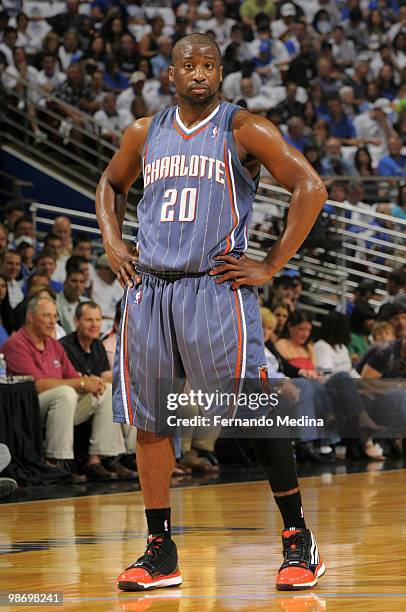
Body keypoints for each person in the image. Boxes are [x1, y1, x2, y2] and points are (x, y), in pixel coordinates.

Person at [95, 33, 327, 592]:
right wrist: (113, 240)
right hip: (151, 288)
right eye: (187, 64)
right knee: (151, 419)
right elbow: (110, 183)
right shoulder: (143, 133)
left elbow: (310, 187)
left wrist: (270, 264)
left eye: (207, 64)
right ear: (170, 74)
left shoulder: (243, 128)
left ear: (220, 72)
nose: (197, 72)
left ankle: (299, 539)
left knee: (252, 407)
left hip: (215, 287)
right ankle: (160, 550)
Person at [3, 296, 126, 482]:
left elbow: (73, 376)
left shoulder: (53, 344)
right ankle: (55, 461)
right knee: (66, 393)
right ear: (31, 317)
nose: (53, 321)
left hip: (60, 405)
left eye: (54, 316)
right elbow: (36, 385)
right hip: (30, 409)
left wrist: (92, 383)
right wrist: (82, 383)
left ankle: (96, 460)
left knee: (106, 390)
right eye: (47, 316)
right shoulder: (16, 345)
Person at [59, 301, 137, 479]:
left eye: (98, 319)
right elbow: (71, 379)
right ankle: (96, 460)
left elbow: (108, 376)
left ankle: (129, 455)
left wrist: (97, 382)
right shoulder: (65, 346)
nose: (94, 325)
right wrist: (95, 382)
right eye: (89, 320)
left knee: (124, 393)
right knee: (110, 392)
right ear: (76, 321)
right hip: (74, 398)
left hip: (96, 394)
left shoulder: (96, 345)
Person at [56, 269, 88, 334]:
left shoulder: (87, 302)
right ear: (65, 283)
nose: (78, 285)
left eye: (82, 282)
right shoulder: (54, 302)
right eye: (74, 281)